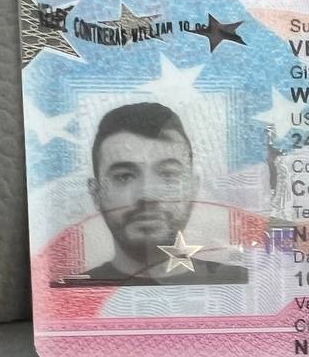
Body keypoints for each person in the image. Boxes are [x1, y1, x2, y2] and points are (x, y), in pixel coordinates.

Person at [81, 102, 249, 285]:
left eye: (168, 174)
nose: (148, 196)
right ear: (96, 193)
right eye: (124, 176)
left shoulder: (241, 283)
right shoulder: (70, 291)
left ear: (192, 188)